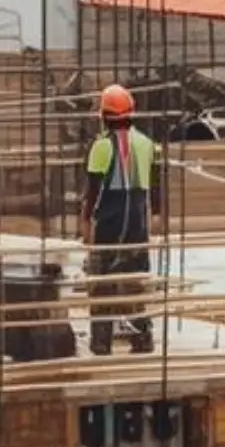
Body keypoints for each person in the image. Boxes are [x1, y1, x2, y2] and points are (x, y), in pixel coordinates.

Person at [81, 83, 163, 355]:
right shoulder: (148, 144)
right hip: (137, 225)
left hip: (109, 224)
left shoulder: (101, 147)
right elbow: (156, 188)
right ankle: (142, 337)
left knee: (102, 284)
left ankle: (101, 341)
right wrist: (156, 217)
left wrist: (86, 224)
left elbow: (92, 193)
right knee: (135, 283)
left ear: (104, 116)